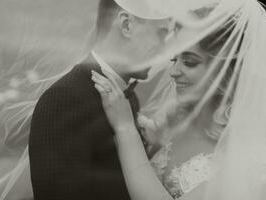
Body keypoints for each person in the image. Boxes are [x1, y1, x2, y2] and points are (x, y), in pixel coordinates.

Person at [91, 0, 266, 199]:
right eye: (174, 59)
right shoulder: (175, 120)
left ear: (227, 71)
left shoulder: (251, 156)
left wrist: (125, 129)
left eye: (190, 62)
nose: (174, 72)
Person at [28, 0, 176, 199]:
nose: (163, 50)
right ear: (126, 25)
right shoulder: (64, 99)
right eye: (161, 34)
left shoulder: (128, 99)